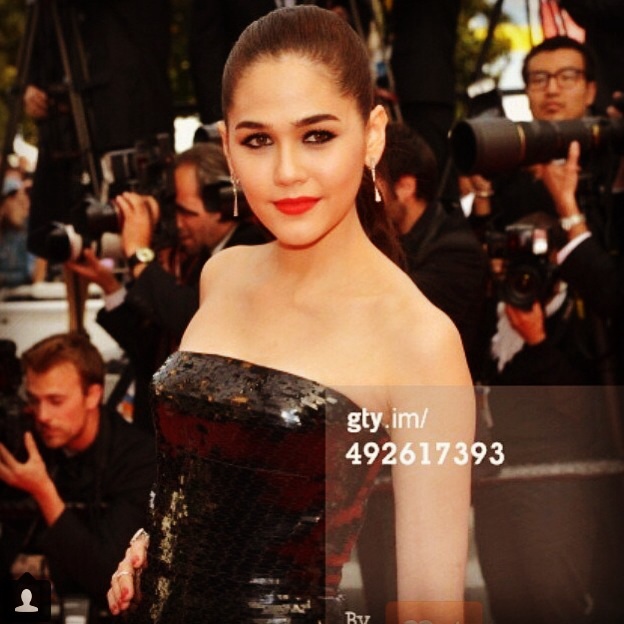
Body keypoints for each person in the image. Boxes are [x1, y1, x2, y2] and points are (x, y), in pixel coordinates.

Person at [107, 7, 475, 624]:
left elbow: (429, 610)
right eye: (257, 140)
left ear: (372, 135)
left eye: (317, 136)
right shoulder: (222, 275)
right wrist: (162, 543)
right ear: (227, 147)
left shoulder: (419, 340)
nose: (286, 173)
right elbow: (208, 471)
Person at [67, 142, 268, 433]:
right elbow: (153, 347)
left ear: (222, 204)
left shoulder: (252, 248)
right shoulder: (200, 257)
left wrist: (138, 254)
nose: (178, 223)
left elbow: (192, 321)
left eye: (186, 212)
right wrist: (109, 285)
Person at [0, 333, 155, 610]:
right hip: (33, 599)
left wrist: (43, 491)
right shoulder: (25, 441)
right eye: (34, 400)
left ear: (93, 395)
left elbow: (106, 577)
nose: (43, 415)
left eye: (56, 401)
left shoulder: (137, 458)